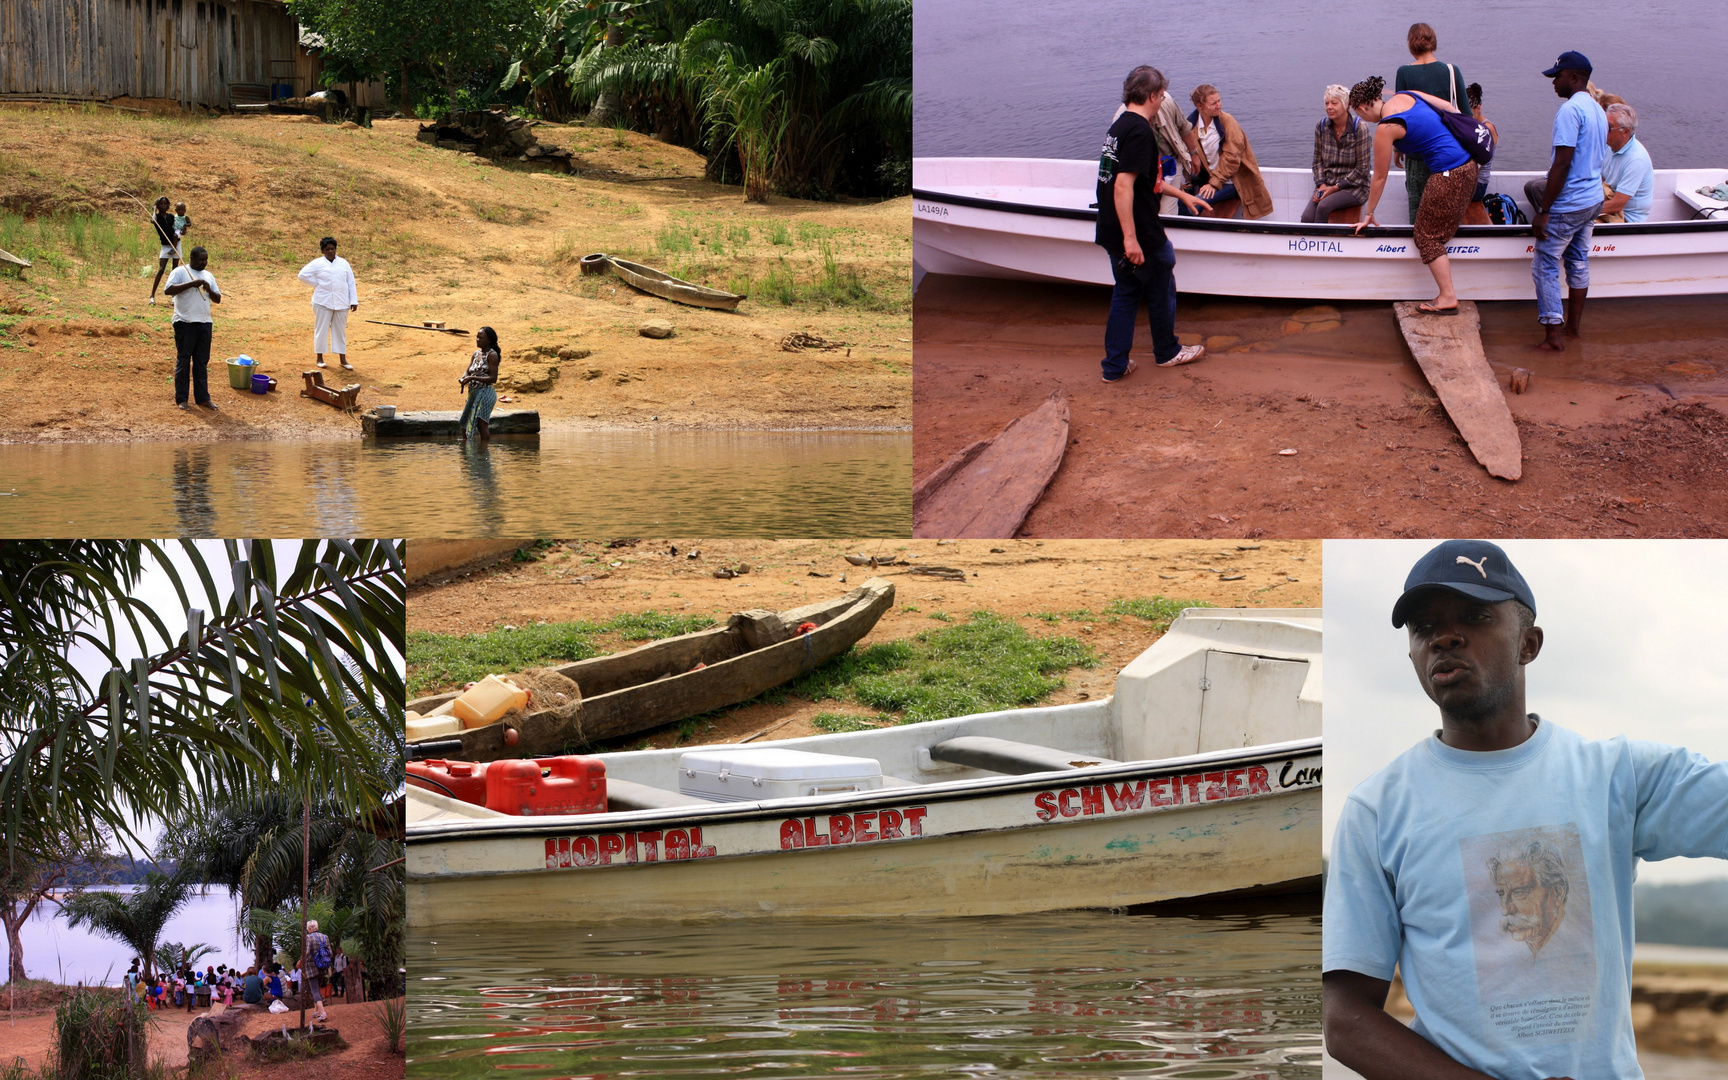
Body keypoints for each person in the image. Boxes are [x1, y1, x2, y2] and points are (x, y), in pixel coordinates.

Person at [1322, 540, 1728, 1080]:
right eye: (1423, 628)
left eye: (1476, 616)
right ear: (1413, 655)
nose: (1443, 637)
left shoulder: (1616, 778)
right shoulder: (1377, 811)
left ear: (1529, 643)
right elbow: (1346, 1021)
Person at [1094, 66, 1212, 383]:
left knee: (1126, 293)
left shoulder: (1119, 127)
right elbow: (1122, 186)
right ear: (1151, 96)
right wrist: (1132, 240)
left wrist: (1183, 197)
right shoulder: (1141, 132)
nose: (1162, 102)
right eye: (1161, 96)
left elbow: (1150, 181)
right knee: (1162, 288)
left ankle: (1114, 366)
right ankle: (1167, 352)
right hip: (1140, 233)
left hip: (1109, 229)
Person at [1349, 76, 1477, 316]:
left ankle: (1448, 296)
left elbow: (1379, 177)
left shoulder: (1386, 128)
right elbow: (1451, 109)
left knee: (1426, 236)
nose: (1363, 120)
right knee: (1438, 229)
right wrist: (1402, 146)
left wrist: (1368, 213)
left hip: (1450, 175)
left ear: (1363, 108)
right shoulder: (1407, 95)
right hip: (1469, 165)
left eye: (1360, 115)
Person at [1522, 51, 1608, 351]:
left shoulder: (1570, 111)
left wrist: (1544, 211)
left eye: (1556, 77)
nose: (1553, 82)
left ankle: (1553, 337)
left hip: (1570, 203)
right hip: (1592, 200)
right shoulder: (1598, 109)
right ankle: (1573, 329)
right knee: (1578, 261)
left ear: (1573, 77)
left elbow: (1562, 164)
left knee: (1544, 264)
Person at [1394, 23, 1467, 223]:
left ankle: (1423, 252)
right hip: (1449, 156)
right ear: (1433, 42)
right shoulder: (1452, 71)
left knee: (1419, 217)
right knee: (1446, 214)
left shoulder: (1404, 73)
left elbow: (1399, 116)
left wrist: (1396, 149)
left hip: (1417, 156)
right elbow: (1466, 116)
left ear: (1411, 44)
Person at [1181, 85, 1273, 219]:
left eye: (1219, 101)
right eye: (1213, 103)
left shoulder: (1228, 121)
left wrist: (1214, 184)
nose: (1219, 105)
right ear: (1200, 106)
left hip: (1233, 182)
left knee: (1193, 206)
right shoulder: (1191, 125)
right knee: (1180, 203)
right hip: (1210, 180)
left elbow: (1232, 158)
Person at [162, 246, 222, 411]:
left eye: (206, 259)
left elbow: (218, 299)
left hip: (204, 322)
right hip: (185, 322)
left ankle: (203, 398)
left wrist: (208, 288)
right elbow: (168, 290)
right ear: (192, 258)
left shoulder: (208, 276)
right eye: (201, 259)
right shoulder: (180, 272)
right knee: (184, 360)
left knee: (201, 362)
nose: (204, 263)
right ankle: (182, 399)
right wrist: (191, 284)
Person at [1303, 84, 1370, 224]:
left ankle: (1321, 244)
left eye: (1334, 103)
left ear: (1346, 105)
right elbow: (1317, 162)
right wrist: (1321, 185)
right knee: (1307, 218)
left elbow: (1362, 169)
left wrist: (1335, 188)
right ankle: (1311, 244)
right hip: (1327, 184)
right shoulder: (1321, 127)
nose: (1329, 107)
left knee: (1323, 206)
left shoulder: (1359, 128)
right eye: (1327, 103)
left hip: (1354, 187)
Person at [296, 236, 359, 370]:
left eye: (332, 249)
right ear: (323, 251)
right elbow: (302, 275)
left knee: (340, 331)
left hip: (342, 302)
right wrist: (317, 284)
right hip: (322, 301)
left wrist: (353, 300)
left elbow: (351, 282)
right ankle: (320, 358)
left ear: (335, 249)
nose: (330, 251)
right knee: (321, 329)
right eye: (327, 249)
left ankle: (343, 359)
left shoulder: (343, 263)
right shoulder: (317, 263)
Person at [1599, 102, 1653, 224]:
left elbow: (1616, 205)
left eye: (1608, 127)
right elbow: (1598, 179)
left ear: (1625, 132)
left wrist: (1578, 212)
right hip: (1609, 204)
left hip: (1626, 218)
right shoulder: (1609, 146)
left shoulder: (1636, 160)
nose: (1602, 130)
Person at [1461, 84, 1500, 224]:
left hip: (1478, 183)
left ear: (1478, 108)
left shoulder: (1487, 128)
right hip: (1467, 178)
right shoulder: (1469, 125)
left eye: (1468, 112)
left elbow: (1479, 162)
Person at [458, 326, 503, 441]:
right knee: (464, 422)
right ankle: (467, 453)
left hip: (485, 393)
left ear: (489, 340)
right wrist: (463, 378)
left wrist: (472, 377)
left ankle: (483, 454)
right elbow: (468, 370)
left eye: (481, 338)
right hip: (474, 393)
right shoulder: (476, 354)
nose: (477, 340)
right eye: (477, 337)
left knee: (481, 424)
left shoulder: (492, 355)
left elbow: (493, 378)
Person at [148, 196, 180, 305]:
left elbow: (178, 228)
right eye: (161, 204)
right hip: (166, 246)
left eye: (165, 204)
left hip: (175, 245)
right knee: (161, 269)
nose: (163, 206)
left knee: (174, 270)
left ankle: (173, 297)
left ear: (168, 205)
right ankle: (152, 296)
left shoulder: (171, 217)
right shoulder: (156, 217)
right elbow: (153, 221)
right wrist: (153, 210)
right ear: (157, 205)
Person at [304, 919, 333, 1021]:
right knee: (317, 989)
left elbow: (306, 952)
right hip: (323, 967)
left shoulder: (309, 938)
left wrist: (300, 962)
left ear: (309, 929)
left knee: (314, 991)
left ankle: (323, 1013)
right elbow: (330, 953)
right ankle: (316, 1011)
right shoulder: (325, 937)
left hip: (311, 967)